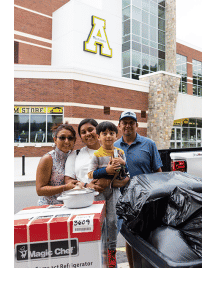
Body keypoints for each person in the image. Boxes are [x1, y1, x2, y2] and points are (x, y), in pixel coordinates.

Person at [114, 110, 162, 268]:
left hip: (148, 200)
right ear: (119, 125)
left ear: (137, 125)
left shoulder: (149, 144)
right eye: (124, 122)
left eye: (131, 122)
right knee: (130, 238)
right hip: (124, 201)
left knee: (150, 237)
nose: (128, 125)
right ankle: (133, 269)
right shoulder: (113, 147)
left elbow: (158, 173)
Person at [88, 121, 130, 268]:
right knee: (100, 224)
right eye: (104, 133)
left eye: (111, 133)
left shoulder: (120, 153)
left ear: (116, 135)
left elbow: (126, 174)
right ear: (98, 137)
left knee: (112, 222)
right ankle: (99, 259)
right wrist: (107, 170)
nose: (108, 136)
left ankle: (112, 260)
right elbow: (91, 174)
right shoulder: (97, 155)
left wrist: (123, 164)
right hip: (99, 192)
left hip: (114, 192)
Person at [36, 123, 82, 205]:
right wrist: (65, 187)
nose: (66, 141)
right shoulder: (48, 159)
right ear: (55, 140)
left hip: (69, 206)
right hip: (49, 207)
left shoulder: (75, 157)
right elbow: (40, 190)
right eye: (62, 138)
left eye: (70, 138)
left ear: (74, 141)